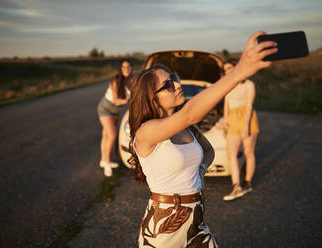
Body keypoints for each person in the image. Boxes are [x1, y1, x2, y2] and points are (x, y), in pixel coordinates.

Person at [128, 31, 277, 247]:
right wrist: (237, 73)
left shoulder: (188, 127)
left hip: (196, 222)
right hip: (162, 229)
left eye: (174, 79)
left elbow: (208, 152)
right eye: (168, 85)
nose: (177, 85)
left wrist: (198, 174)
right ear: (152, 98)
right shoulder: (146, 132)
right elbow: (190, 112)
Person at [220, 58, 260, 201]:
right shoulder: (228, 85)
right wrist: (225, 121)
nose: (228, 71)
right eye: (225, 70)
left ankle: (248, 183)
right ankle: (236, 186)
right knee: (231, 154)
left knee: (249, 152)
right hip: (232, 119)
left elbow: (249, 105)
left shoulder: (249, 84)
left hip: (247, 118)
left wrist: (245, 127)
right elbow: (226, 103)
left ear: (237, 67)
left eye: (230, 68)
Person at [97, 59, 133, 177]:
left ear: (131, 68)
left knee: (106, 135)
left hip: (116, 111)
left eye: (128, 67)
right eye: (124, 67)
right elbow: (116, 100)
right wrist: (128, 100)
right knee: (112, 135)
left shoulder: (132, 81)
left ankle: (103, 160)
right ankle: (107, 163)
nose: (126, 69)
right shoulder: (115, 81)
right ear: (120, 69)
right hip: (105, 108)